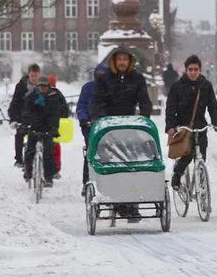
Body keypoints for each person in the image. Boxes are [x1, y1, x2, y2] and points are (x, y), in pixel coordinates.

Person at [89, 46, 152, 221]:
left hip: (129, 126)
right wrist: (99, 120)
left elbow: (144, 101)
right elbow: (97, 101)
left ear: (129, 61)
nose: (122, 62)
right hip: (109, 127)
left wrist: (143, 119)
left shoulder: (137, 79)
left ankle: (132, 204)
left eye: (125, 59)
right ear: (114, 62)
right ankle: (119, 204)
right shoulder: (104, 79)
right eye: (119, 60)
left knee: (132, 166)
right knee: (113, 167)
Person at [166, 54, 217, 190]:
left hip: (200, 125)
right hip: (183, 126)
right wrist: (171, 126)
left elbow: (212, 106)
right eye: (190, 69)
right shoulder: (177, 87)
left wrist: (216, 122)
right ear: (186, 70)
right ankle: (177, 174)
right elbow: (170, 108)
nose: (193, 72)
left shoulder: (206, 86)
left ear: (200, 70)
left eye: (196, 69)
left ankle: (201, 183)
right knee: (188, 154)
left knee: (202, 155)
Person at [21, 76, 63, 188]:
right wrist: (25, 126)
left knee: (48, 153)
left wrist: (54, 128)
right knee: (30, 151)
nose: (42, 88)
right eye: (40, 86)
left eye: (44, 86)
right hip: (34, 128)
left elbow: (55, 114)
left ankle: (49, 177)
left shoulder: (53, 97)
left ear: (48, 86)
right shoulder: (31, 96)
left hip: (47, 129)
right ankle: (28, 172)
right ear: (37, 86)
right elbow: (26, 112)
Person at [76, 62, 107, 196]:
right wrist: (83, 119)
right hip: (91, 127)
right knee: (90, 153)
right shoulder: (88, 88)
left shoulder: (112, 88)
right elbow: (81, 106)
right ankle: (86, 181)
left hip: (108, 127)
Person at [7, 63, 41, 167]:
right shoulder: (21, 86)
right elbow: (15, 104)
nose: (34, 78)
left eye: (36, 76)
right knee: (19, 135)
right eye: (32, 76)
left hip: (40, 118)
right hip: (24, 118)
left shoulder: (44, 86)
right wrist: (14, 120)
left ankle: (50, 166)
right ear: (28, 74)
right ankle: (19, 160)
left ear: (39, 75)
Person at [47, 74, 71, 179]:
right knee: (55, 146)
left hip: (40, 123)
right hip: (54, 124)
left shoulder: (39, 92)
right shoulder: (58, 94)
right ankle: (55, 169)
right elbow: (65, 110)